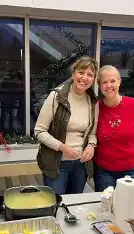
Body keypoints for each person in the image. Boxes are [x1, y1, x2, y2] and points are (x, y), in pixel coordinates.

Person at [34, 56, 99, 195]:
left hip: (81, 165)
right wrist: (63, 148)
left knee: (74, 204)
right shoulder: (56, 96)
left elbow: (93, 133)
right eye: (81, 72)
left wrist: (91, 146)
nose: (84, 78)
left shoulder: (93, 101)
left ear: (93, 79)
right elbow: (39, 132)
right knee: (55, 204)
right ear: (73, 73)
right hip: (57, 163)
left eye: (90, 75)